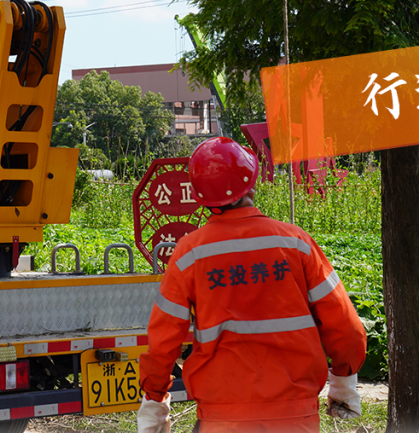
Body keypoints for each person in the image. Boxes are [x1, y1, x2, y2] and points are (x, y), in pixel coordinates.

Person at [137, 137, 366, 433]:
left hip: (222, 418)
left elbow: (163, 339)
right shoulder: (296, 244)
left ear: (201, 196)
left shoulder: (189, 254)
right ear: (251, 185)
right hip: (295, 415)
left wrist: (154, 401)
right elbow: (345, 326)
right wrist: (343, 384)